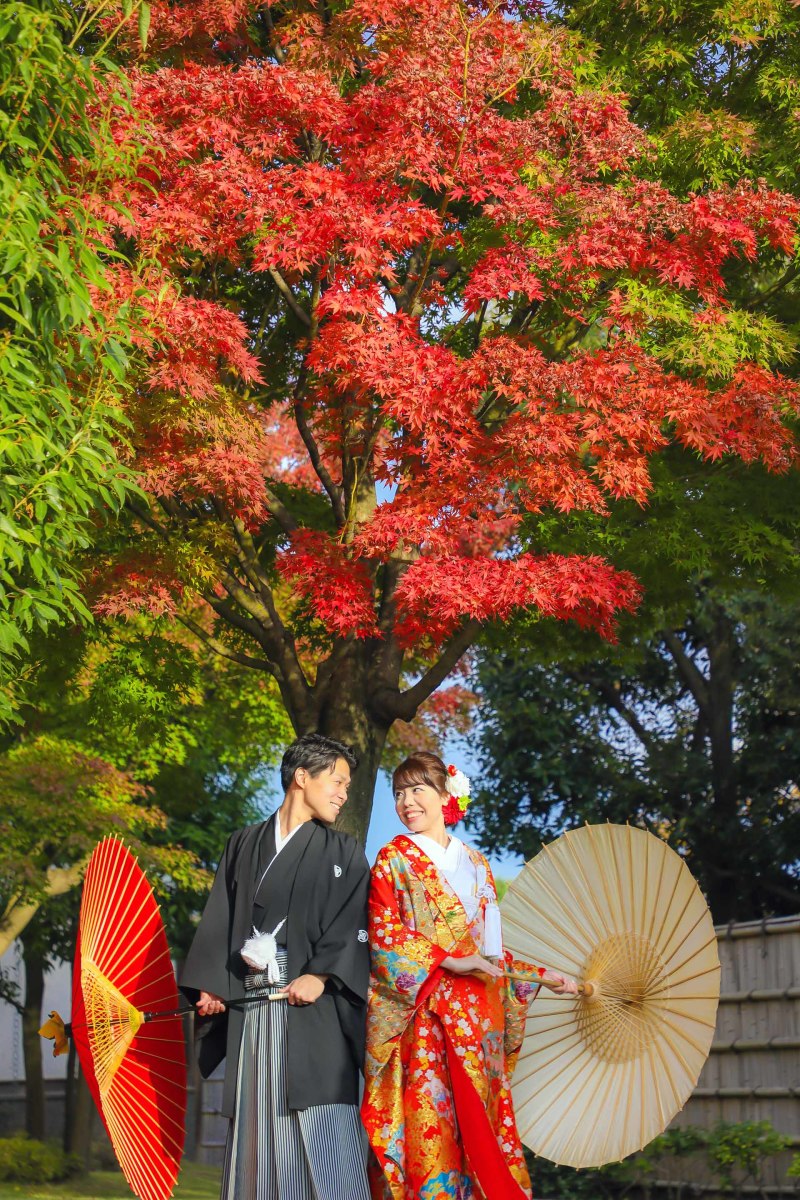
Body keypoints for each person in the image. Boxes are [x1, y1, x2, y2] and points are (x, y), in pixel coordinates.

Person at [361, 751, 577, 1200]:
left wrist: (541, 975)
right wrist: (446, 960)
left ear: (445, 796)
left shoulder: (477, 865)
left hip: (479, 1020)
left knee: (482, 1131)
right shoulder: (393, 859)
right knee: (432, 1129)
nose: (406, 802)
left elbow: (491, 951)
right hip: (425, 1017)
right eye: (399, 793)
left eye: (418, 790)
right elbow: (383, 933)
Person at [180, 733, 371, 1200]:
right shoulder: (243, 843)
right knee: (257, 1120)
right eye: (338, 781)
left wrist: (322, 974)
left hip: (313, 1005)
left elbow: (355, 922)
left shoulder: (344, 853)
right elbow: (220, 918)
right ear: (301, 778)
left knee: (323, 1119)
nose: (343, 793)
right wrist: (212, 985)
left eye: (347, 785)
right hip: (252, 1002)